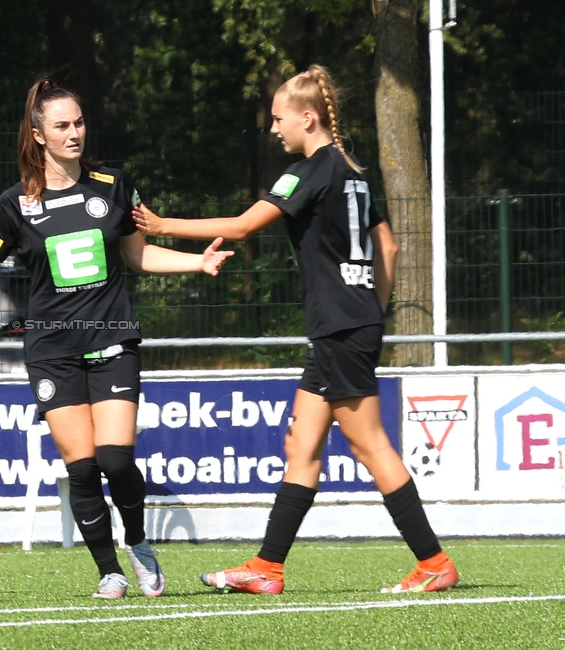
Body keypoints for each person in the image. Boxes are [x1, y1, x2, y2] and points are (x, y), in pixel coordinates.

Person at [132, 64, 458, 595]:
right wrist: (368, 311)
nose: (274, 128)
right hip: (350, 324)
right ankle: (267, 568)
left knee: (371, 444)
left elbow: (241, 226)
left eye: (279, 119)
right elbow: (390, 248)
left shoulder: (311, 170)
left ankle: (434, 561)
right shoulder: (354, 169)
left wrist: (164, 225)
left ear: (307, 119)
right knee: (301, 443)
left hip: (339, 328)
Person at [0, 79, 233, 599]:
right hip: (51, 350)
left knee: (114, 461)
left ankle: (137, 542)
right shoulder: (15, 202)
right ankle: (108, 571)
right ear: (38, 134)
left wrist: (198, 262)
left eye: (79, 122)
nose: (74, 133)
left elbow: (139, 255)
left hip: (111, 340)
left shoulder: (113, 184)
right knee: (81, 467)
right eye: (61, 125)